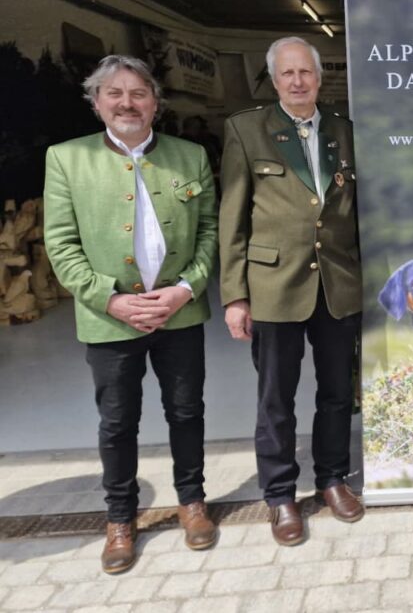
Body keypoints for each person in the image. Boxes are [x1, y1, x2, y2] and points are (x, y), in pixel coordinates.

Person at [44, 55, 218, 573]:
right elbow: (61, 244)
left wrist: (186, 289)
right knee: (118, 422)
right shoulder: (66, 159)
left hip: (179, 313)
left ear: (155, 103)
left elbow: (209, 231)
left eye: (138, 93)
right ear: (96, 103)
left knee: (186, 412)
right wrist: (110, 298)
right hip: (110, 317)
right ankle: (120, 518)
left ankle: (192, 502)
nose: (127, 103)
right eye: (114, 93)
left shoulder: (191, 156)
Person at [219, 36, 364, 546]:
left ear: (320, 77)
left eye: (306, 73)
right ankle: (280, 495)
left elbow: (357, 215)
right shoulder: (246, 130)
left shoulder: (345, 132)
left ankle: (332, 479)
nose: (298, 82)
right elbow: (231, 219)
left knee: (336, 393)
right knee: (276, 399)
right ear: (274, 80)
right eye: (288, 74)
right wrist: (235, 295)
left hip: (337, 285)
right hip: (274, 287)